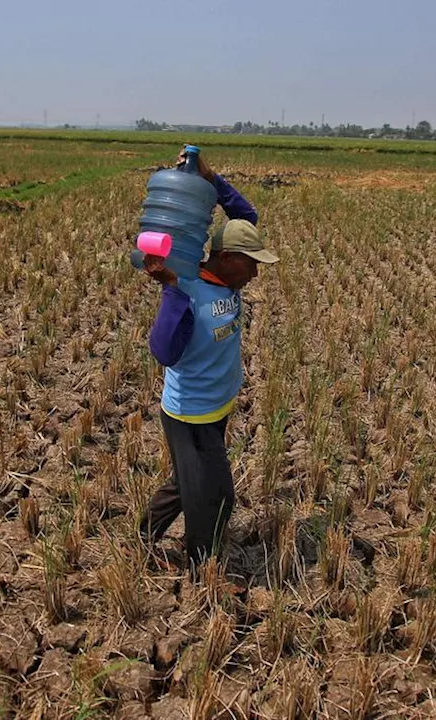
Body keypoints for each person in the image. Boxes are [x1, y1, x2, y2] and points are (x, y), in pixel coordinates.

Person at [138, 147, 280, 573]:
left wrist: (210, 177)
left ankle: (143, 538)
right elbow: (163, 352)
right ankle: (203, 567)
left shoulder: (227, 274)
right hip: (191, 416)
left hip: (217, 407)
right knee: (215, 495)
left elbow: (245, 218)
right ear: (227, 258)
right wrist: (172, 292)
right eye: (251, 264)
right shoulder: (188, 289)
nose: (256, 273)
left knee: (187, 484)